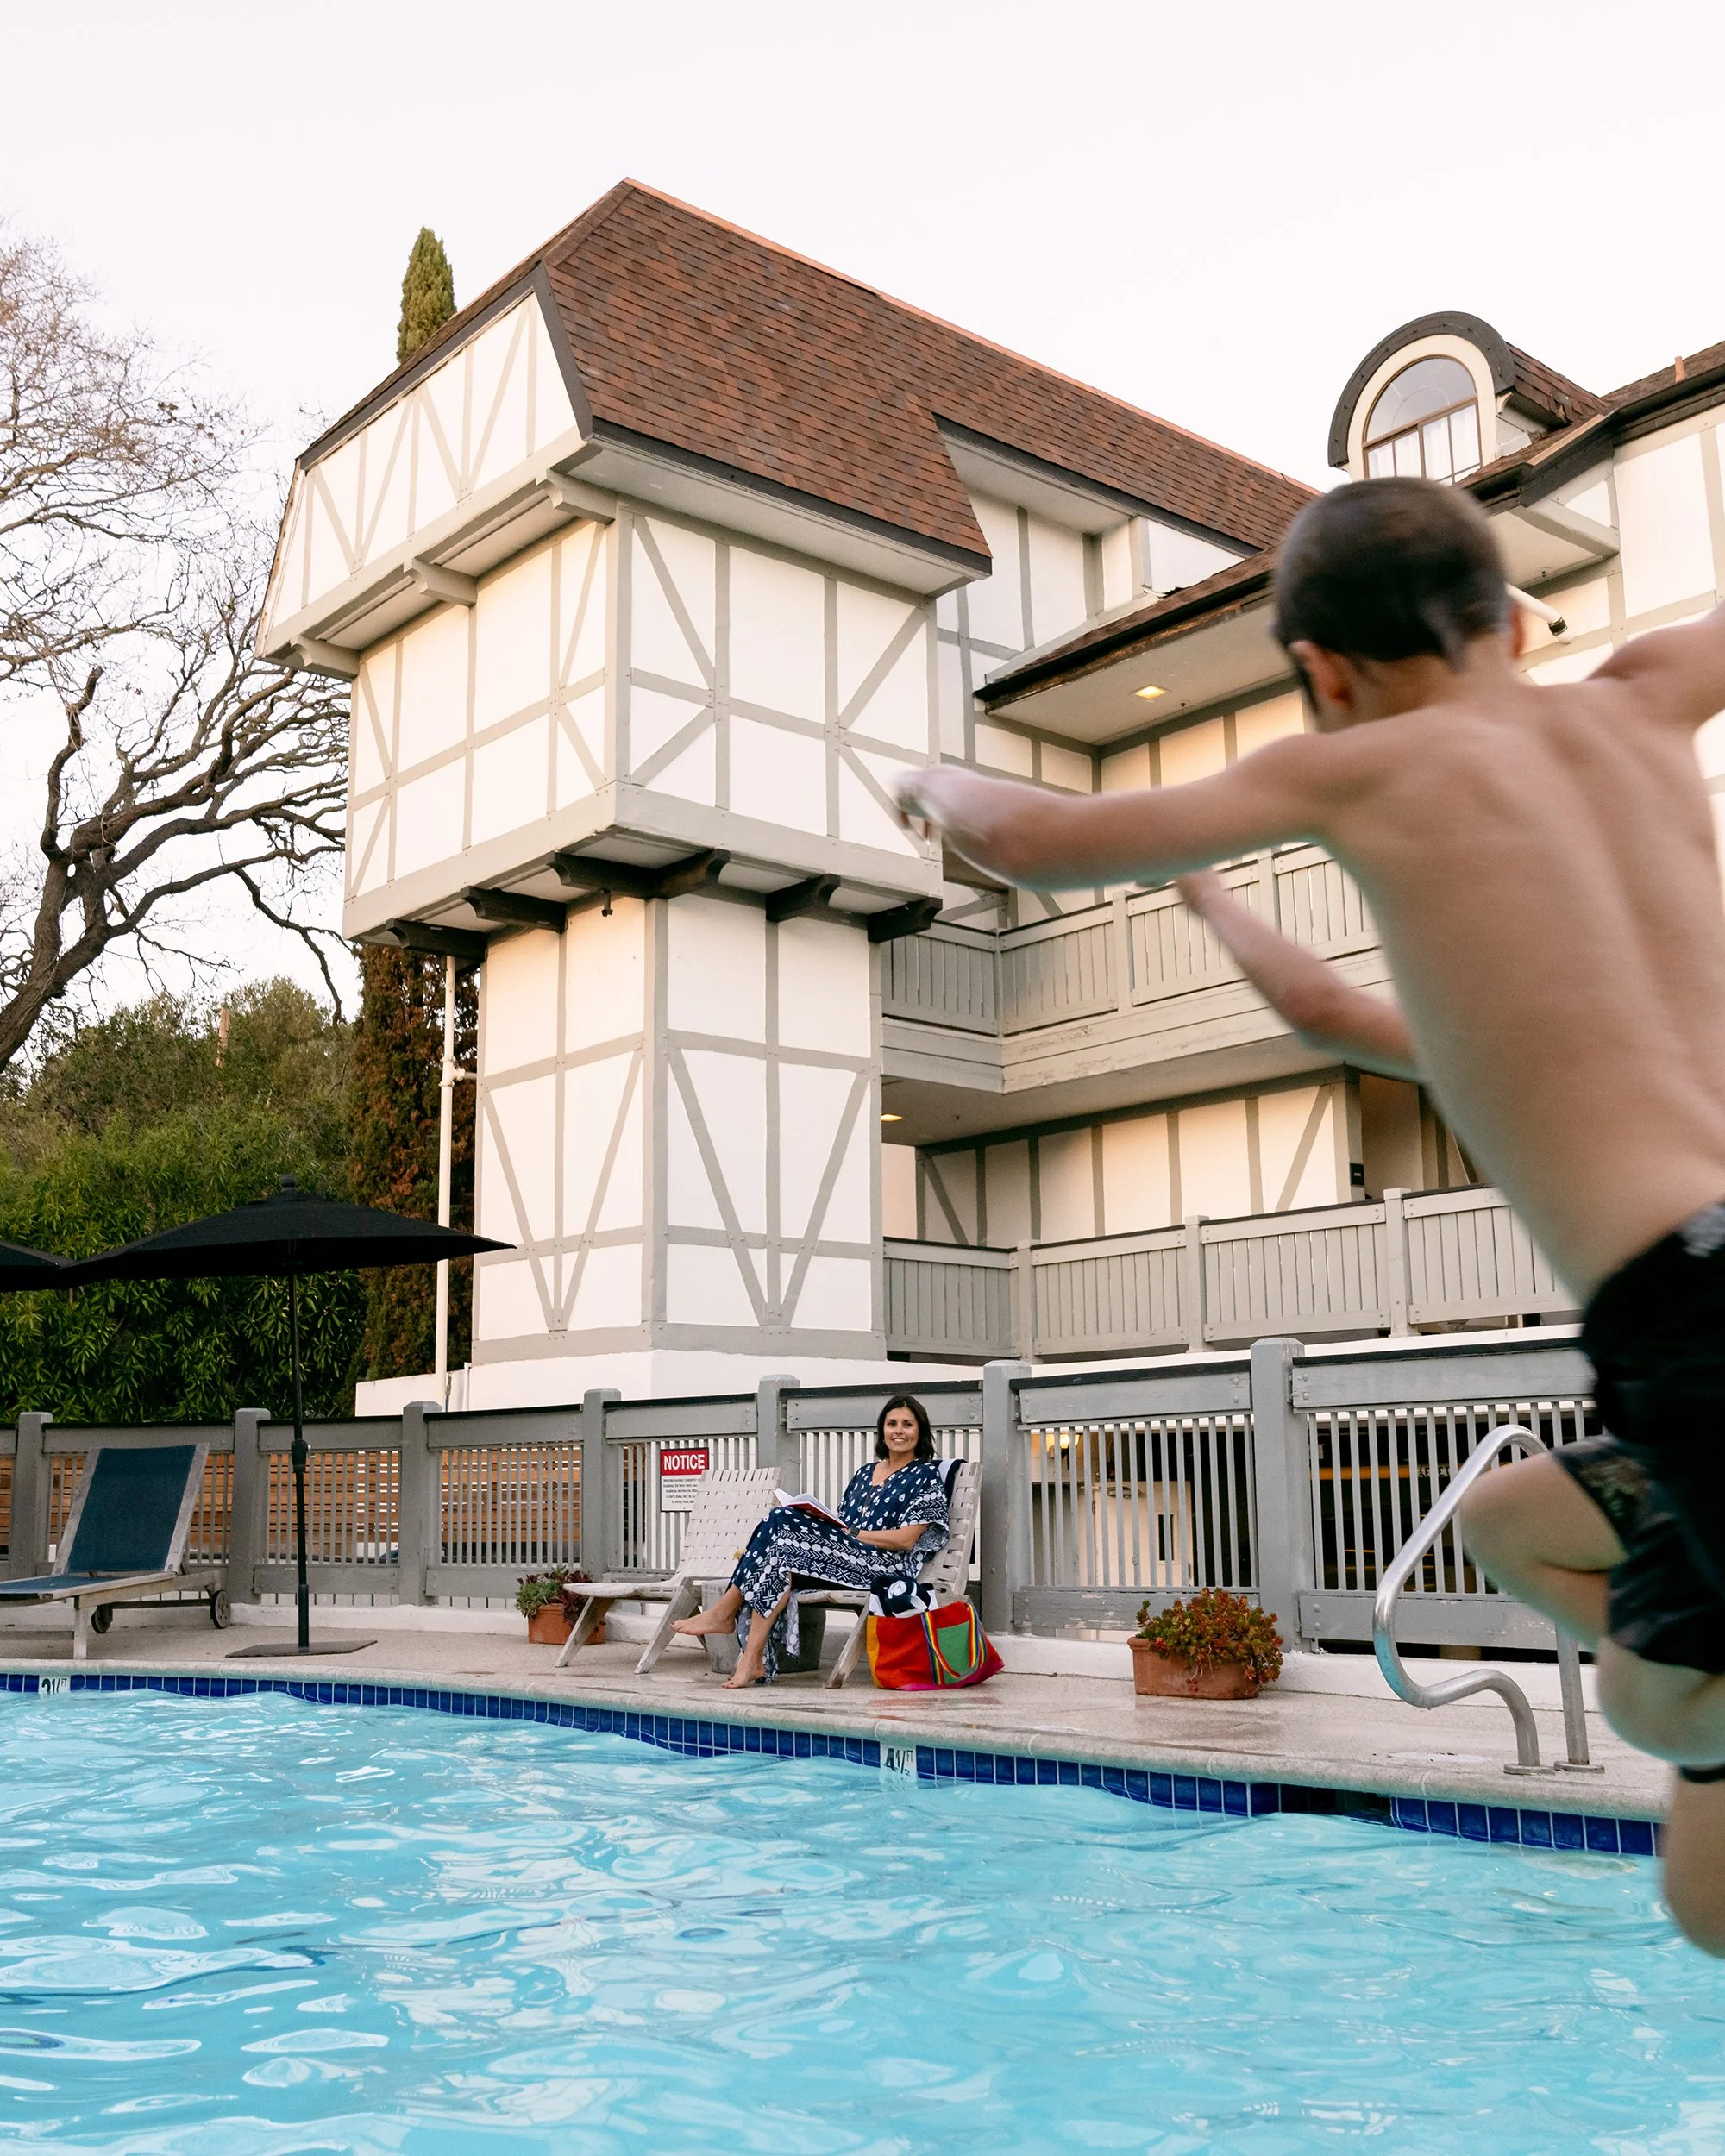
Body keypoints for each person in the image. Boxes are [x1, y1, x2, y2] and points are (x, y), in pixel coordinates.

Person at [894, 474, 1725, 1952]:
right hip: (1698, 1358)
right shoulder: (1647, 695)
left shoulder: (1365, 768)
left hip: (1700, 1323)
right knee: (1688, 1858)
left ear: (1325, 674)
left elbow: (1029, 837)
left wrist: (930, 788)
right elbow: (1346, 1013)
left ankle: (1693, 1686)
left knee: (1647, 1701)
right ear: (1506, 620)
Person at [672, 1394, 950, 1687]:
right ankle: (751, 1661)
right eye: (892, 1423)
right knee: (778, 1555)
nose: (899, 1431)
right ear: (882, 1429)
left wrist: (854, 1535)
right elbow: (842, 1523)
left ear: (920, 1432)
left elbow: (906, 1540)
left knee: (779, 1521)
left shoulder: (926, 1477)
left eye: (908, 1424)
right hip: (845, 1558)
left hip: (885, 1568)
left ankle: (724, 1614)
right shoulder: (865, 1473)